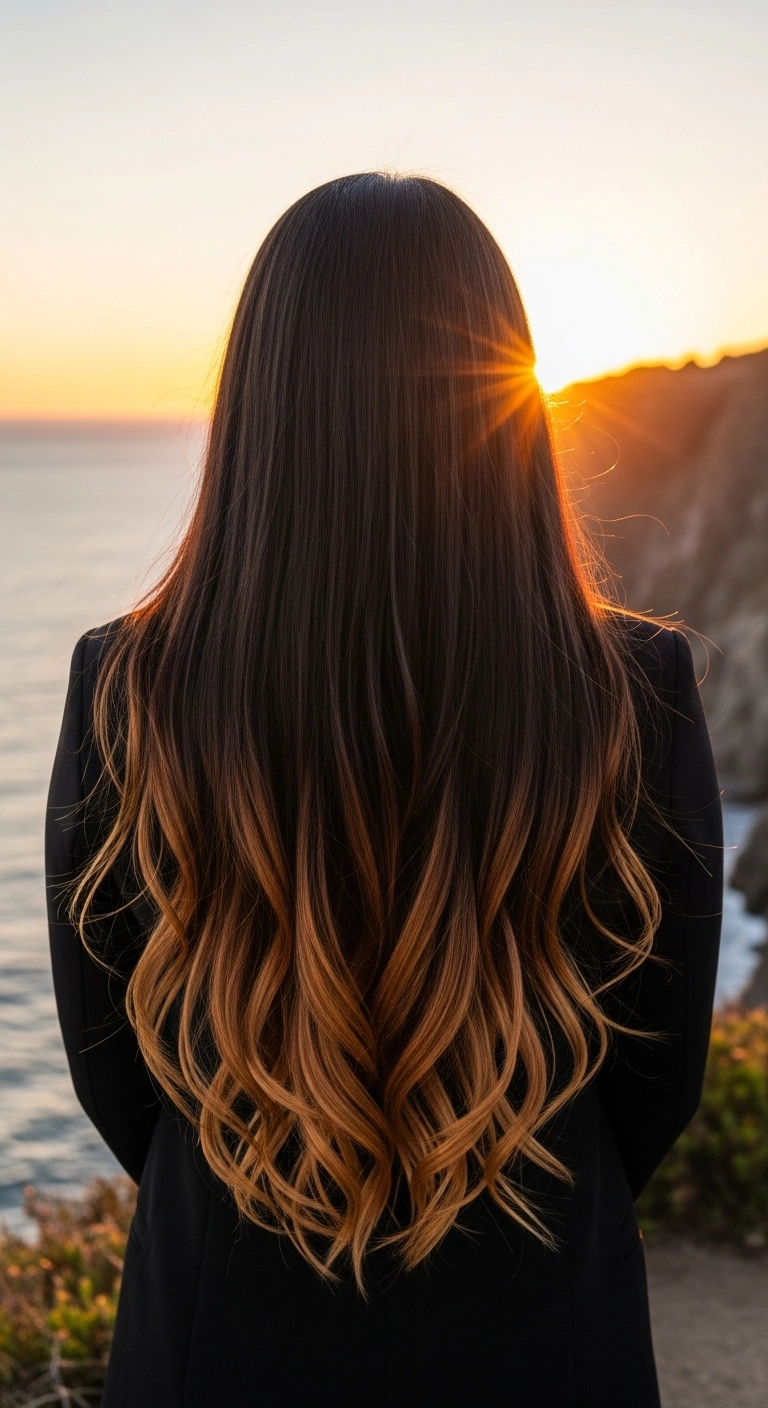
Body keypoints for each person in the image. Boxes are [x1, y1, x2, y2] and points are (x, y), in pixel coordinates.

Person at [46, 173, 722, 1408]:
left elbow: (115, 1072)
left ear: (260, 399)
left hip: (222, 1330)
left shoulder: (123, 686)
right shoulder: (642, 686)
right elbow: (655, 1082)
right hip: (545, 1327)